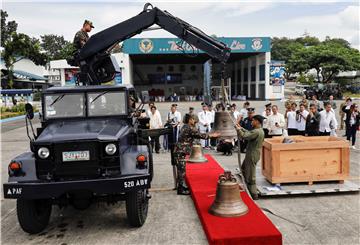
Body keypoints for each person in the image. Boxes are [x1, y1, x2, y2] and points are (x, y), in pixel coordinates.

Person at [174, 114, 220, 195]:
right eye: (193, 120)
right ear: (190, 120)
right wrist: (212, 135)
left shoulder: (185, 126)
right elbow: (201, 135)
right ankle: (180, 190)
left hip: (180, 150)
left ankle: (181, 186)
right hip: (181, 151)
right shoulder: (189, 128)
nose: (195, 122)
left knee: (181, 170)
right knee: (181, 171)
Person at [235, 115, 265, 200]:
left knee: (251, 174)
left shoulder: (256, 131)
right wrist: (241, 128)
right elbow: (248, 133)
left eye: (253, 121)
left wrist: (239, 130)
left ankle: (253, 193)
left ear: (258, 122)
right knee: (244, 169)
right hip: (252, 153)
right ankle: (246, 186)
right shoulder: (258, 130)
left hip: (252, 154)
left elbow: (245, 136)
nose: (252, 122)